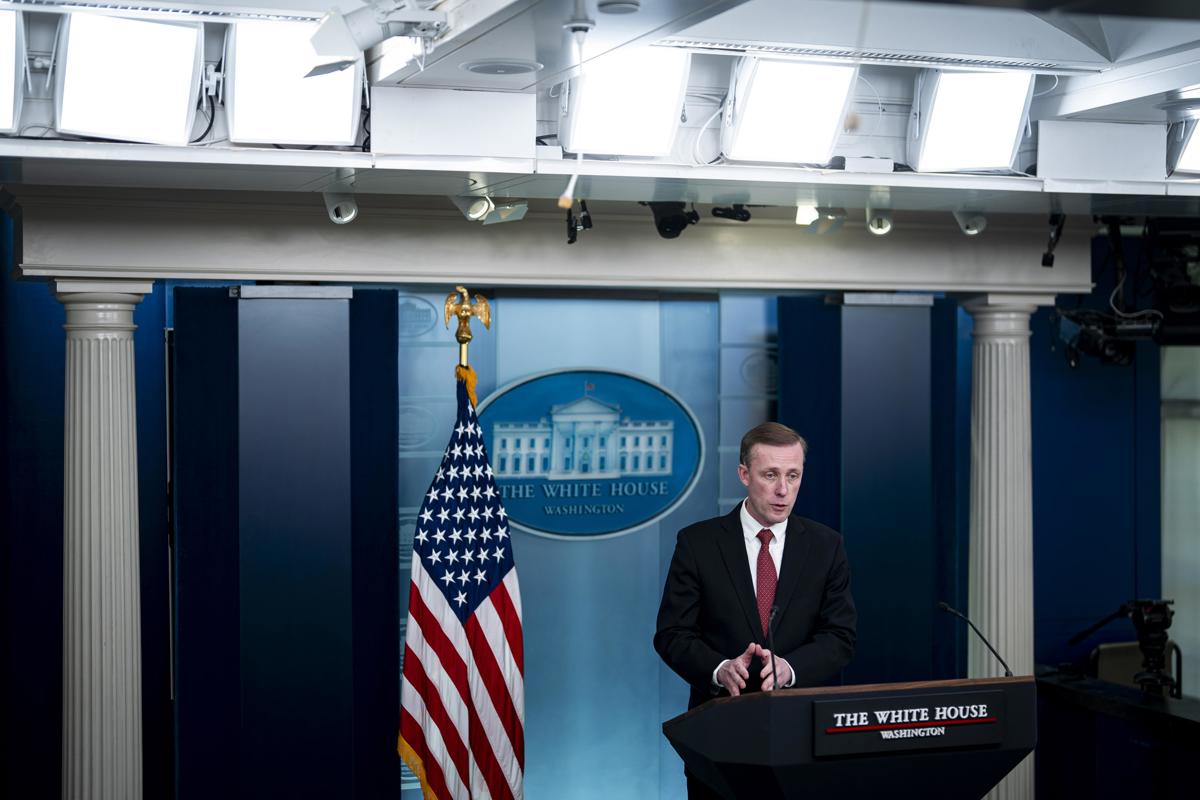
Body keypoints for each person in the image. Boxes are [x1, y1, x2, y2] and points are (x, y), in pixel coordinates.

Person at [654, 421, 856, 799]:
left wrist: (791, 667)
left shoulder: (826, 546)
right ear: (744, 474)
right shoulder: (699, 543)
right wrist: (718, 668)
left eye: (793, 475)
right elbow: (672, 634)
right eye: (771, 475)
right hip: (719, 744)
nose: (783, 490)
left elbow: (839, 636)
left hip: (802, 740)